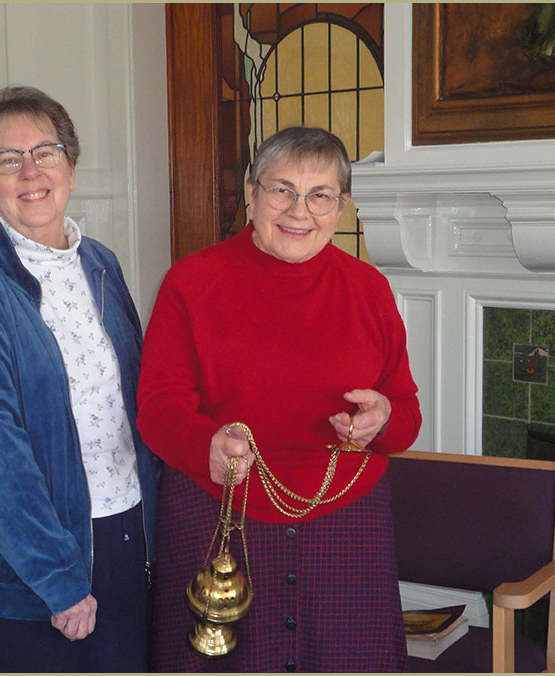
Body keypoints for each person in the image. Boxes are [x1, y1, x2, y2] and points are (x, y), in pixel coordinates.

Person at [137, 126, 421, 672]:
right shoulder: (190, 282)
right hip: (217, 510)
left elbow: (405, 414)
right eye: (281, 190)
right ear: (250, 192)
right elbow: (159, 406)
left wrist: (382, 419)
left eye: (320, 195)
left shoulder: (369, 289)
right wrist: (207, 445)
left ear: (341, 205)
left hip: (346, 523)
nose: (299, 210)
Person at [0, 85, 159, 673]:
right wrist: (58, 578)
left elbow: (133, 403)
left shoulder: (101, 263)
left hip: (121, 531)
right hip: (22, 564)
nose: (30, 170)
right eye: (7, 159)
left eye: (46, 152)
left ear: (71, 167)